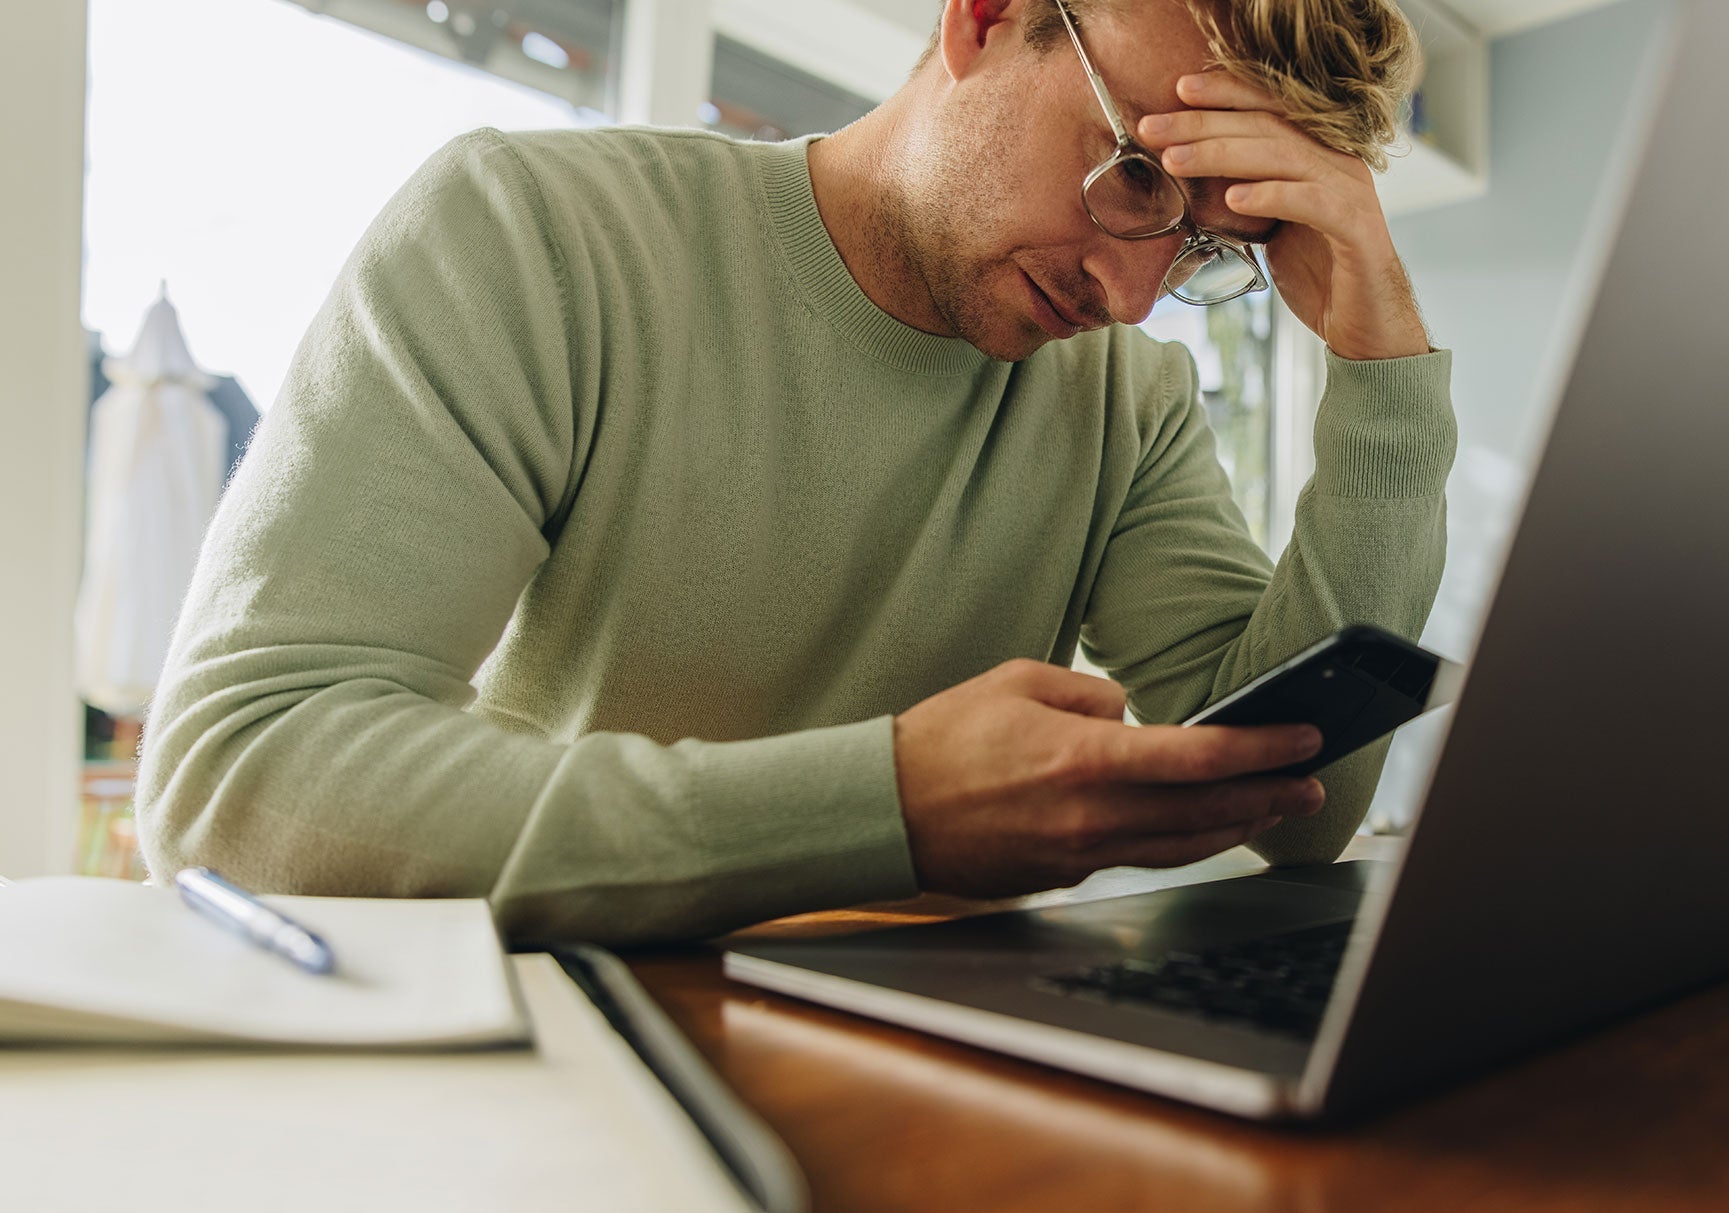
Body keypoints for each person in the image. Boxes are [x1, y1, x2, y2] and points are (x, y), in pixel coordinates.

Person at [137, 0, 1454, 944]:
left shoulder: (1129, 399)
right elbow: (237, 782)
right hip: (572, 1047)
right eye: (1130, 178)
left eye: (1202, 247)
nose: (1129, 292)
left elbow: (1299, 807)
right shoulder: (536, 233)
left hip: (931, 1064)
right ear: (984, 19)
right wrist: (886, 807)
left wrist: (1384, 370)